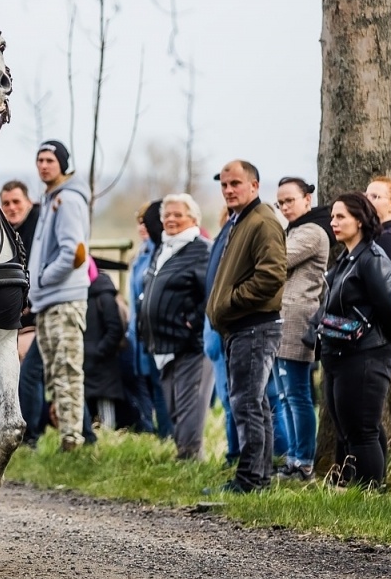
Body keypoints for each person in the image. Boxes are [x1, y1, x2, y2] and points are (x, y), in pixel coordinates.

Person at [206, 160, 289, 492]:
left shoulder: (263, 221)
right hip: (241, 328)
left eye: (235, 183)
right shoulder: (240, 220)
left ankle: (250, 479)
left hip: (254, 327)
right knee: (253, 403)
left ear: (254, 185)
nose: (228, 190)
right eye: (224, 185)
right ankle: (259, 476)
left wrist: (230, 302)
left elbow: (271, 275)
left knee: (247, 403)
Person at [320, 194, 391, 487]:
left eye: (341, 216)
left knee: (362, 430)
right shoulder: (346, 257)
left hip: (367, 353)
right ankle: (352, 489)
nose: (334, 222)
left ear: (359, 220)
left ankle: (369, 493)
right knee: (347, 429)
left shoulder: (372, 258)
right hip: (339, 354)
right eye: (332, 217)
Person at [139, 194, 214, 459]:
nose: (171, 219)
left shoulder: (202, 249)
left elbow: (209, 293)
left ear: (193, 219)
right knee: (172, 404)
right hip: (162, 342)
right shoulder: (163, 248)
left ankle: (190, 458)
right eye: (167, 215)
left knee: (189, 404)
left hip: (190, 343)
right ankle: (185, 452)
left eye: (178, 214)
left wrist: (191, 322)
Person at [28, 140, 91, 452]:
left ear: (62, 164)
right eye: (39, 160)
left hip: (64, 299)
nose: (43, 165)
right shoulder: (51, 198)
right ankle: (68, 438)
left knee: (67, 370)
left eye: (50, 160)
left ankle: (73, 440)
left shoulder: (66, 200)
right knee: (55, 372)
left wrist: (41, 278)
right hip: (48, 301)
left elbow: (74, 252)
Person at [273, 177, 329, 480]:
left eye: (289, 200)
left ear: (307, 199)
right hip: (285, 319)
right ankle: (295, 458)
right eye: (280, 202)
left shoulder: (311, 231)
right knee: (286, 395)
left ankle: (303, 460)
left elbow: (276, 259)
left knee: (296, 394)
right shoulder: (294, 230)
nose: (284, 207)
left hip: (297, 319)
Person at [1, 180, 46, 444]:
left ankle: (33, 434)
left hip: (39, 312)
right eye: (6, 203)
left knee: (30, 371)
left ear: (28, 202)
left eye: (17, 202)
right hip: (18, 313)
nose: (12, 208)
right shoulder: (5, 231)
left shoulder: (38, 226)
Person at [124, 202, 173, 438]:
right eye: (138, 223)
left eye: (146, 222)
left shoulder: (160, 251)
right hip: (138, 331)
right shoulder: (141, 253)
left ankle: (167, 435)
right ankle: (150, 428)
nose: (141, 227)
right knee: (146, 382)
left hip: (156, 330)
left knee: (161, 385)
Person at [82, 259, 126, 439]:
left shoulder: (104, 296)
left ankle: (108, 440)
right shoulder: (80, 295)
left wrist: (99, 351)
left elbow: (115, 329)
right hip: (87, 361)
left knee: (105, 403)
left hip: (102, 362)